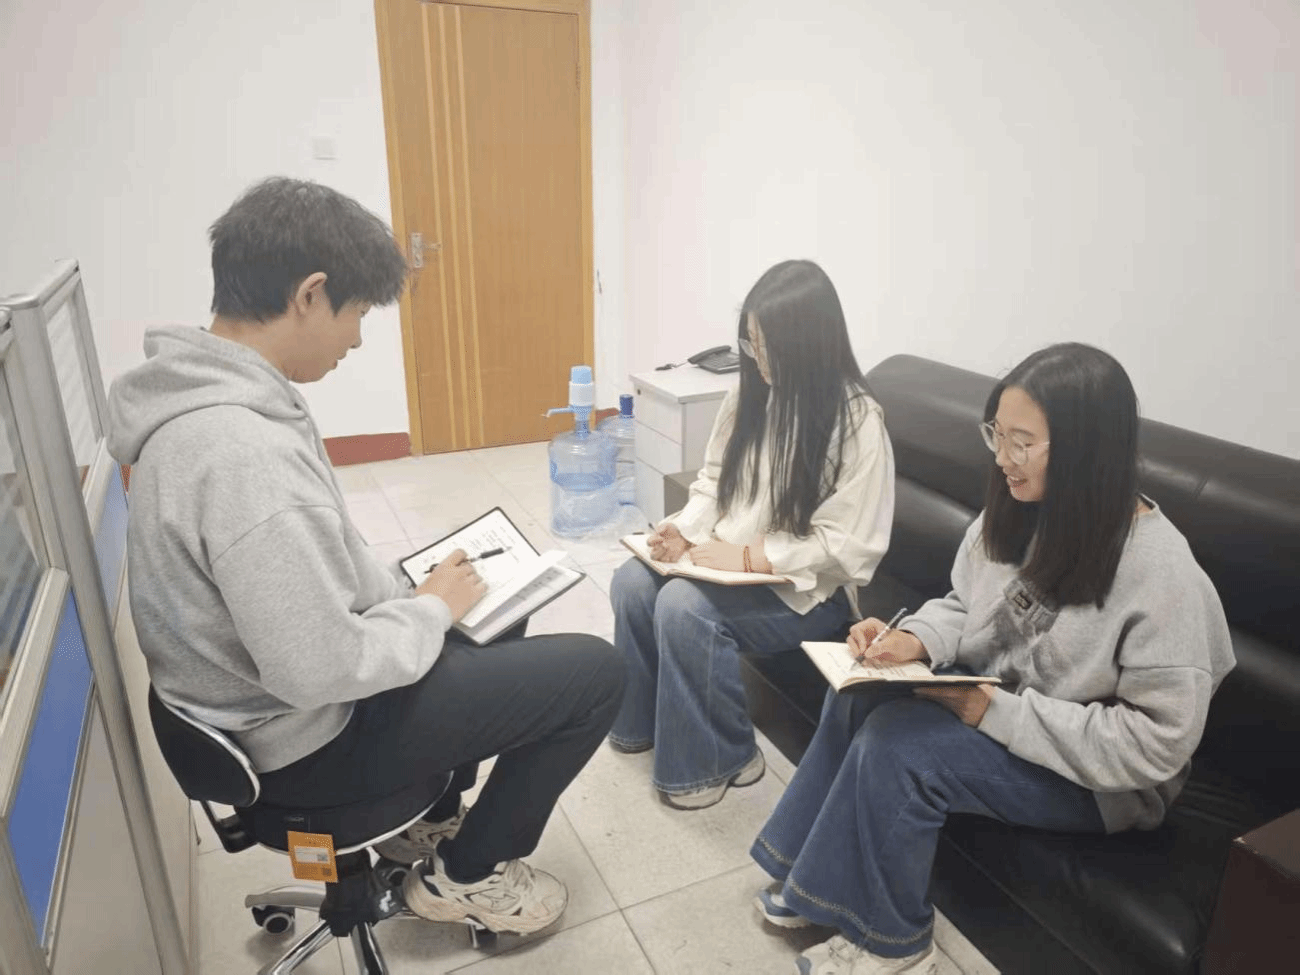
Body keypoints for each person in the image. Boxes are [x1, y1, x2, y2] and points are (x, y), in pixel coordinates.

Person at [107, 177, 625, 936]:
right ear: (310, 295)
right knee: (595, 674)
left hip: (268, 711)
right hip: (307, 743)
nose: (355, 340)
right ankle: (466, 876)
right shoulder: (241, 454)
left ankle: (428, 823)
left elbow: (318, 568)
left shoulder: (209, 405)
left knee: (486, 605)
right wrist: (427, 610)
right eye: (356, 315)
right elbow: (316, 667)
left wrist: (417, 592)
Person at [749, 343, 1235, 975]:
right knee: (860, 695)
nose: (1002, 458)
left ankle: (893, 941)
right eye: (996, 435)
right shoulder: (1019, 509)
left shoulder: (1161, 574)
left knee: (901, 749)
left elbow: (1153, 745)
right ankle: (809, 876)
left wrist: (990, 711)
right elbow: (964, 602)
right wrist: (914, 640)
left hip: (1104, 781)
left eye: (1022, 443)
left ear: (1086, 449)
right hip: (1007, 709)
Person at [608, 260, 895, 809]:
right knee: (632, 582)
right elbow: (715, 481)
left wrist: (750, 557)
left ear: (809, 344)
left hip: (805, 595)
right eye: (751, 344)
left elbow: (849, 546)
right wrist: (681, 531)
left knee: (683, 608)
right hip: (727, 565)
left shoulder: (857, 422)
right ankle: (637, 725)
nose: (757, 360)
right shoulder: (749, 396)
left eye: (769, 348)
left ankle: (723, 759)